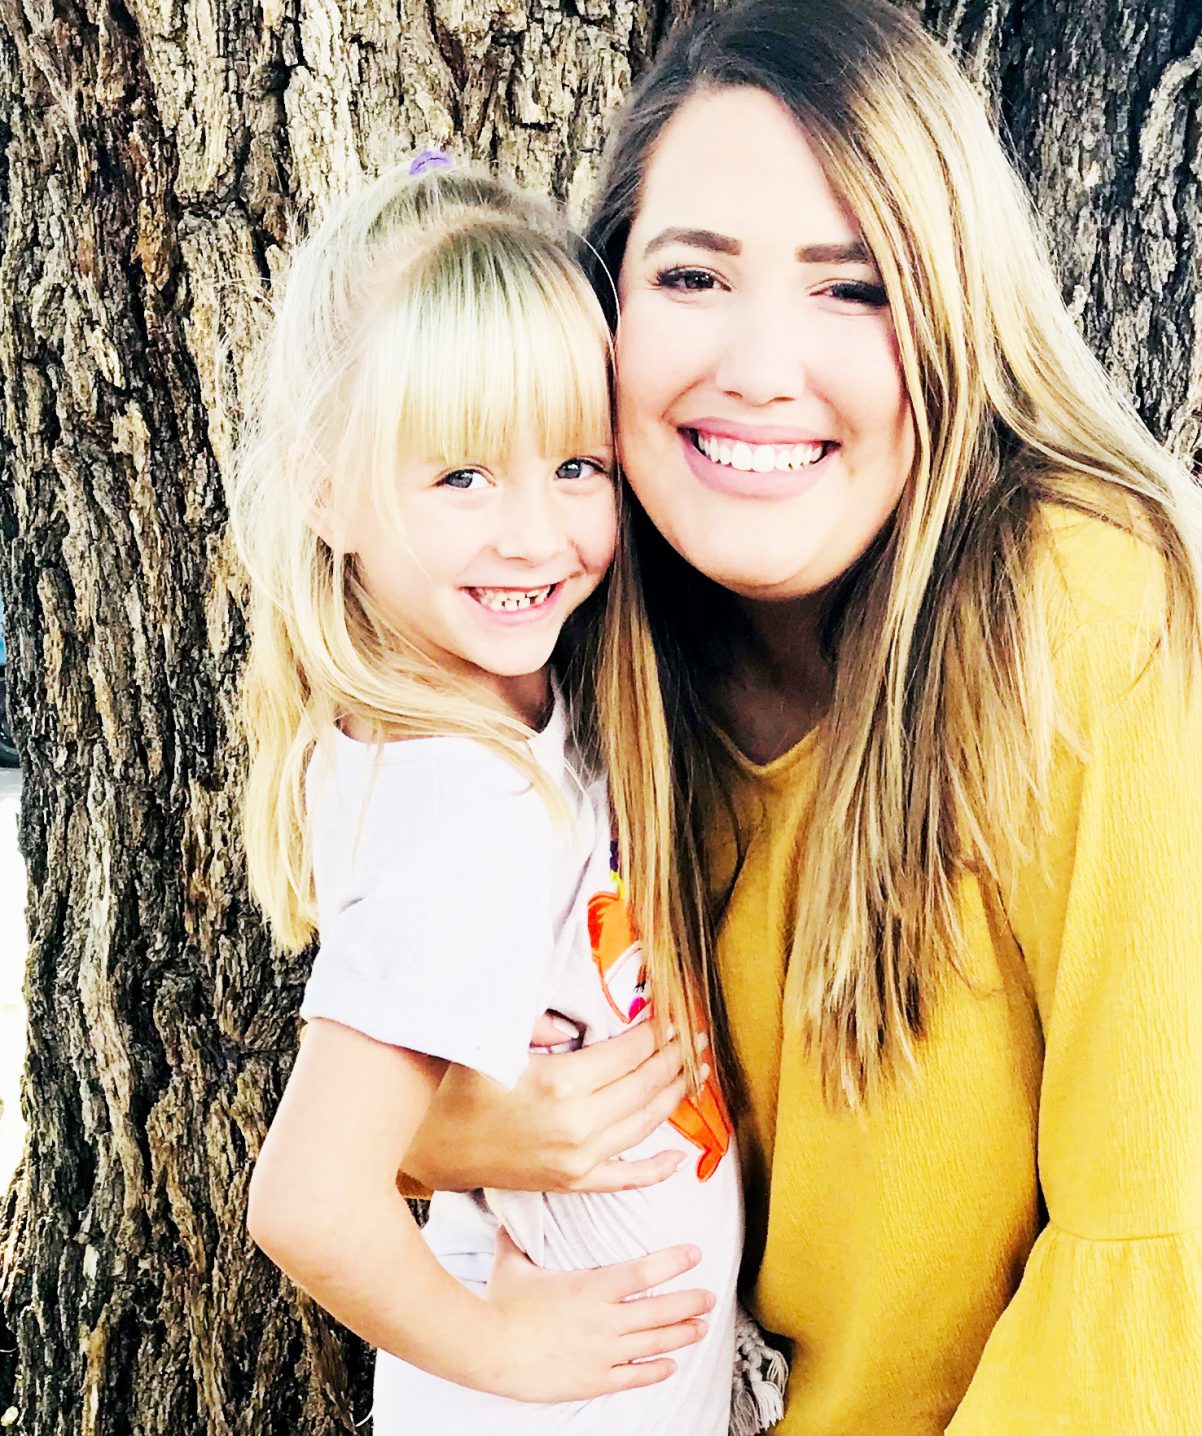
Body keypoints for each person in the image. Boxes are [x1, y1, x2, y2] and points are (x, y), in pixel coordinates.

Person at [400, 1, 1202, 1432]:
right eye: (692, 275)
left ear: (952, 316)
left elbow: (1155, 1282)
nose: (760, 365)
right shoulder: (587, 657)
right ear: (605, 306)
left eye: (853, 288)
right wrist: (444, 1136)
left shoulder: (1101, 614)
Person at [229, 156, 748, 1434]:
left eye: (576, 464)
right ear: (328, 488)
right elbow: (307, 1197)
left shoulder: (494, 718)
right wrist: (505, 1351)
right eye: (462, 477)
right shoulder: (466, 799)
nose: (534, 533)